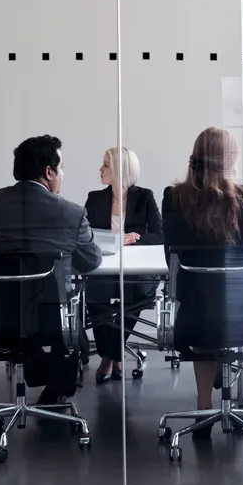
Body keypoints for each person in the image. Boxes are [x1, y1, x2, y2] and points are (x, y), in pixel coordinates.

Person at [0, 135, 102, 404]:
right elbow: (91, 261)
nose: (62, 174)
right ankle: (54, 391)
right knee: (63, 315)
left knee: (22, 313)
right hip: (49, 323)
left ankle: (41, 372)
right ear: (49, 172)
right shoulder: (71, 212)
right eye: (61, 167)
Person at [161, 127, 243, 418]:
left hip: (192, 312)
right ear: (231, 160)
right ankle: (228, 383)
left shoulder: (174, 198)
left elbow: (172, 257)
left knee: (205, 322)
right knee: (225, 315)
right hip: (240, 312)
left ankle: (203, 402)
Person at [83, 146, 162, 383]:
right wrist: (116, 240)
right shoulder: (95, 198)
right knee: (95, 294)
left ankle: (110, 357)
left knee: (133, 291)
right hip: (104, 267)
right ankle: (115, 355)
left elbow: (159, 234)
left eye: (105, 165)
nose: (100, 169)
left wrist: (133, 239)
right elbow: (85, 235)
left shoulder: (144, 196)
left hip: (136, 269)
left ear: (120, 169)